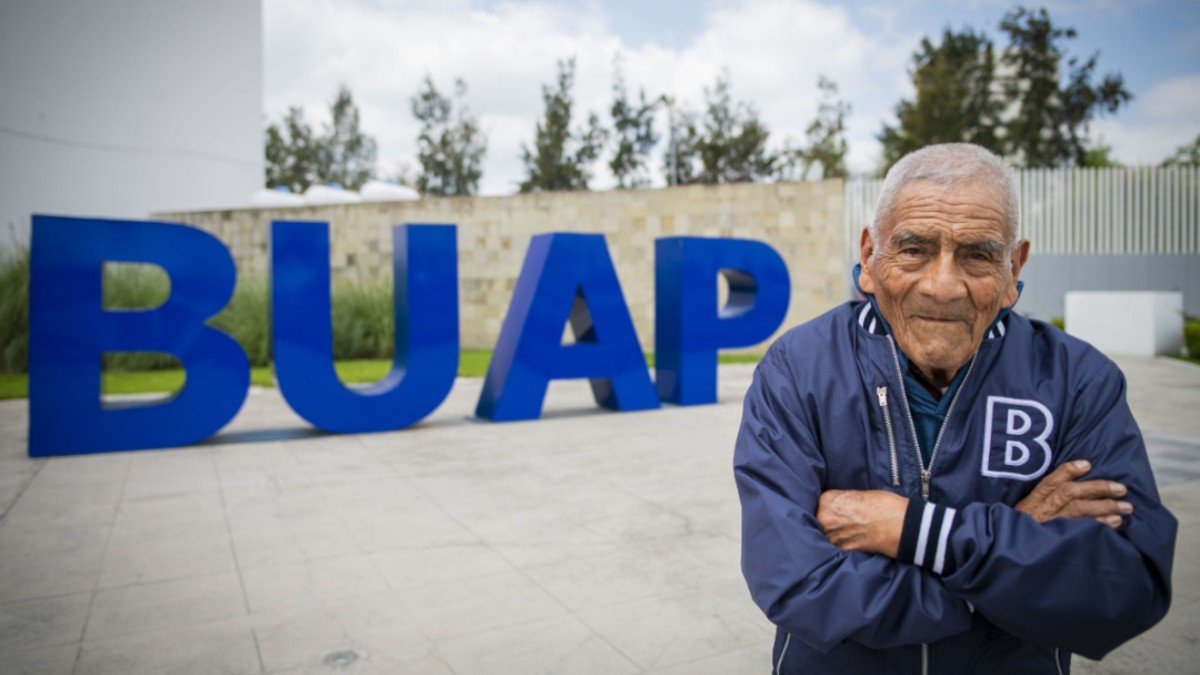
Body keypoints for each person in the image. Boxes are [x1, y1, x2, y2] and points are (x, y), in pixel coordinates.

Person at [734, 143, 1176, 674]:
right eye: (914, 249)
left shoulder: (1079, 382)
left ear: (1014, 267)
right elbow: (799, 586)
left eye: (977, 254)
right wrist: (1014, 540)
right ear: (870, 256)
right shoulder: (797, 370)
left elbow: (1124, 589)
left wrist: (916, 531)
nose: (942, 287)